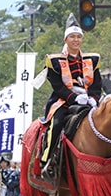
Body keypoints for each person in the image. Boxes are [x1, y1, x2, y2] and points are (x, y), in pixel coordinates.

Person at [42, 13, 102, 174]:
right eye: (72, 37)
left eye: (78, 37)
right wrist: (75, 97)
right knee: (57, 123)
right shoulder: (55, 61)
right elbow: (58, 86)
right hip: (64, 101)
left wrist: (93, 99)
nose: (76, 40)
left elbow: (97, 84)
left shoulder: (91, 60)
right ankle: (47, 160)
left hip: (89, 101)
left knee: (109, 120)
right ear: (65, 40)